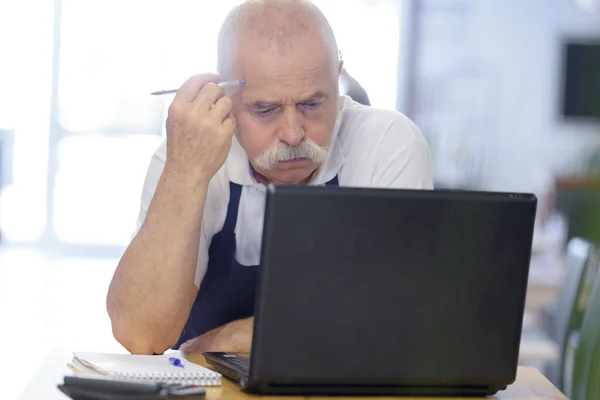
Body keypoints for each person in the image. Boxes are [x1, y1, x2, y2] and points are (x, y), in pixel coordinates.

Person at [106, 0, 433, 356]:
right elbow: (140, 335)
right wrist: (186, 173)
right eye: (265, 109)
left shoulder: (386, 143)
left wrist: (233, 338)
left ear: (337, 76)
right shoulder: (189, 152)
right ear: (225, 95)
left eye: (313, 103)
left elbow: (397, 322)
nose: (293, 134)